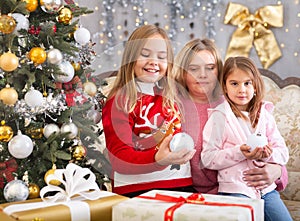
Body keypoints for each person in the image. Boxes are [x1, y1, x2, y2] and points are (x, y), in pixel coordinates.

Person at [172, 38, 288, 194]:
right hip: (190, 193)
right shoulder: (172, 106)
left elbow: (269, 145)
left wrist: (278, 172)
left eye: (210, 68)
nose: (202, 75)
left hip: (243, 190)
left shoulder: (235, 103)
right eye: (193, 68)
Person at [102, 24, 196, 198]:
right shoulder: (119, 101)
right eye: (145, 54)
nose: (154, 62)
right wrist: (157, 160)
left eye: (162, 57)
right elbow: (119, 158)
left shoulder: (171, 97)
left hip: (181, 185)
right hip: (137, 190)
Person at [201, 56, 292, 221]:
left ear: (255, 86)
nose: (241, 89)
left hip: (267, 190)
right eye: (234, 83)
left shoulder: (264, 115)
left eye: (247, 83)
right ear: (225, 87)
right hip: (236, 191)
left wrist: (268, 154)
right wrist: (240, 152)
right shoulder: (219, 118)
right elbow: (208, 158)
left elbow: (283, 153)